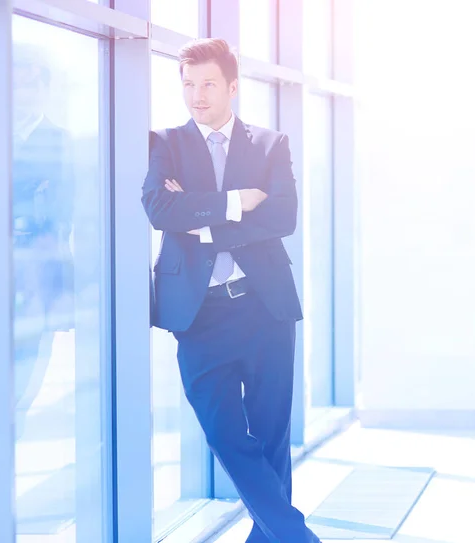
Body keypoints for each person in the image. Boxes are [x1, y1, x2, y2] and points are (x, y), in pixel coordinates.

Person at [142, 38, 321, 543]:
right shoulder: (166, 144)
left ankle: (273, 537)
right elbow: (159, 209)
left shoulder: (269, 145)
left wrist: (202, 221)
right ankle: (295, 536)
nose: (196, 96)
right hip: (199, 316)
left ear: (233, 87)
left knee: (271, 436)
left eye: (208, 85)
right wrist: (237, 201)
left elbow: (282, 217)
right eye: (188, 85)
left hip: (265, 309)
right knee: (223, 434)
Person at [12, 43, 74, 439]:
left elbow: (61, 211)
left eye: (32, 87)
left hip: (38, 269)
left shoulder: (61, 141)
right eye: (17, 87)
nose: (23, 96)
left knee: (30, 365)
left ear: (44, 92)